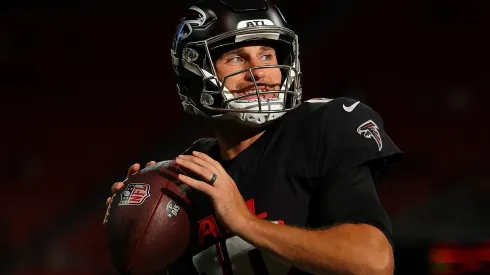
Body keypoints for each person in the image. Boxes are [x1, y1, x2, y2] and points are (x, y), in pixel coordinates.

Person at [106, 0, 402, 274]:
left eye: (267, 55)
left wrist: (246, 224)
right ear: (196, 73)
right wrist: (134, 230)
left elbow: (373, 262)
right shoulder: (188, 177)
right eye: (236, 58)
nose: (259, 72)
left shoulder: (320, 128)